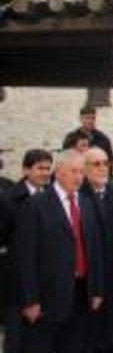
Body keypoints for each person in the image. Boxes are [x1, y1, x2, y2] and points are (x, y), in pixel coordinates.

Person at [14, 149, 105, 353]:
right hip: (47, 298)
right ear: (58, 172)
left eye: (82, 171)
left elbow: (95, 250)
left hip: (81, 294)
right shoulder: (36, 205)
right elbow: (25, 257)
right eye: (74, 171)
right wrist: (30, 300)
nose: (79, 177)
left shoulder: (88, 204)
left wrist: (97, 289)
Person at [0, 149, 53, 353]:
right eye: (40, 168)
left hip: (44, 282)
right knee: (16, 341)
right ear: (25, 169)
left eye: (48, 168)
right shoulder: (9, 200)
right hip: (16, 284)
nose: (45, 173)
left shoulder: (51, 197)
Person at [81, 147, 113, 353]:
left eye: (105, 164)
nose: (102, 168)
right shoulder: (77, 195)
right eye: (96, 164)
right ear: (84, 168)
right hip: (87, 280)